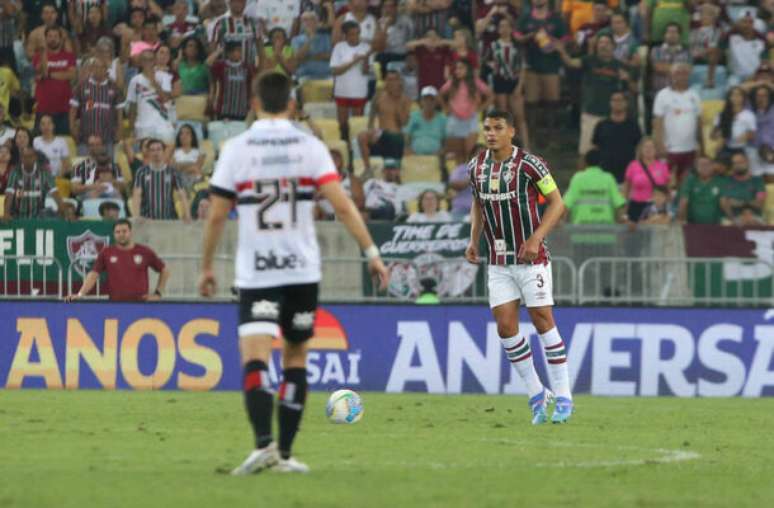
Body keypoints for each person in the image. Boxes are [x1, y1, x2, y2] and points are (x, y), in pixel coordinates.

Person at [198, 71, 388, 475]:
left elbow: (216, 214)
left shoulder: (236, 147)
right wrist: (371, 252)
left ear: (253, 103)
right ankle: (284, 454)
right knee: (296, 358)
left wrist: (207, 265)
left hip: (257, 273)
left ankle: (264, 446)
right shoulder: (310, 147)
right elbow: (343, 205)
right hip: (302, 271)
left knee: (254, 362)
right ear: (291, 104)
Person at [464, 109, 573, 424]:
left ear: (511, 130)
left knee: (542, 320)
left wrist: (537, 238)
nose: (491, 133)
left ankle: (564, 396)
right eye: (487, 128)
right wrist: (473, 240)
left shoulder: (531, 164)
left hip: (531, 259)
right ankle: (537, 392)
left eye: (498, 128)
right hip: (499, 260)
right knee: (505, 327)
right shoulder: (476, 166)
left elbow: (558, 203)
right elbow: (477, 204)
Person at [555, 33, 630, 156]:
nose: (603, 46)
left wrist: (626, 79)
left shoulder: (619, 65)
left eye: (607, 43)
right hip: (590, 111)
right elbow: (571, 63)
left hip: (610, 115)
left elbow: (630, 88)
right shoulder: (589, 60)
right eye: (601, 43)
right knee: (586, 151)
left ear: (613, 46)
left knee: (608, 150)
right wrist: (562, 52)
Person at [66, 219, 170, 302]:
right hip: (115, 305)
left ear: (130, 232)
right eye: (118, 232)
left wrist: (158, 294)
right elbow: (93, 275)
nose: (121, 234)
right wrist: (80, 294)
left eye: (124, 231)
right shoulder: (107, 252)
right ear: (114, 234)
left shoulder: (144, 251)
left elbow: (164, 270)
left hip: (141, 305)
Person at [484, 16, 529, 150]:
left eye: (507, 26)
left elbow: (523, 67)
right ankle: (504, 146)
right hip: (499, 82)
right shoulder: (493, 45)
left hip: (514, 82)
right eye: (501, 26)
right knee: (503, 116)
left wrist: (519, 86)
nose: (504, 29)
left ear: (511, 28)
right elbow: (486, 62)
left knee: (519, 116)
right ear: (498, 29)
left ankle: (526, 147)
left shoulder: (517, 46)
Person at [652, 63, 702, 182]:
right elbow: (657, 123)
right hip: (669, 149)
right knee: (667, 183)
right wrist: (659, 146)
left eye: (684, 73)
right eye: (677, 73)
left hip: (690, 149)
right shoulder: (662, 95)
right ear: (670, 75)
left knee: (687, 183)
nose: (681, 76)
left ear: (689, 76)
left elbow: (699, 123)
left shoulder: (694, 95)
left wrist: (701, 147)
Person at [356, 70, 411, 173]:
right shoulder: (378, 97)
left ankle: (394, 170)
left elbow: (404, 122)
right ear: (385, 82)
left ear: (399, 82)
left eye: (395, 80)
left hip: (396, 134)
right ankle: (368, 169)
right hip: (381, 133)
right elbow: (371, 117)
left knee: (395, 138)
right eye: (389, 80)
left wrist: (396, 100)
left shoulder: (405, 99)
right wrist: (371, 129)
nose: (392, 83)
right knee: (361, 136)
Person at [439, 59, 493, 161]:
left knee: (469, 151)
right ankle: (460, 174)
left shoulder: (476, 81)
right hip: (455, 119)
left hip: (471, 119)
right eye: (456, 69)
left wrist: (480, 108)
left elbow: (490, 95)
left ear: (468, 70)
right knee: (458, 153)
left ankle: (469, 175)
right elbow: (440, 94)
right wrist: (445, 108)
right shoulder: (452, 82)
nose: (457, 71)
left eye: (460, 68)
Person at [69, 57, 123, 155]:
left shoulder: (114, 88)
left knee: (108, 167)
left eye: (101, 67)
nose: (98, 70)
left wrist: (119, 130)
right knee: (85, 167)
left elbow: (119, 112)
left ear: (106, 69)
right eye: (95, 67)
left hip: (107, 138)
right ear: (92, 69)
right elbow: (73, 109)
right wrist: (72, 127)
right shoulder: (82, 86)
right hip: (85, 138)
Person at [330, 21, 372, 142]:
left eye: (357, 34)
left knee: (357, 125)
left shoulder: (366, 47)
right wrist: (353, 62)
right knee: (342, 125)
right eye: (351, 34)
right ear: (345, 35)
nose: (355, 37)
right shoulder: (339, 47)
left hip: (359, 91)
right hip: (342, 91)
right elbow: (335, 70)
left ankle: (356, 149)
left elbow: (366, 71)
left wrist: (365, 60)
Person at [130, 138, 191, 220]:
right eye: (152, 150)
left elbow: (182, 194)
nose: (156, 153)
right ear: (148, 153)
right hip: (147, 220)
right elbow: (137, 195)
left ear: (164, 151)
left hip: (168, 219)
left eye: (159, 149)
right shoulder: (141, 172)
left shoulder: (173, 172)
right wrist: (136, 217)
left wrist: (187, 215)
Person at [563, 148, 627, 224]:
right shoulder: (608, 178)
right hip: (605, 231)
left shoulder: (578, 178)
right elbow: (619, 204)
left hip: (581, 231)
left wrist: (560, 221)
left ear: (585, 162)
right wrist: (624, 219)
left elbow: (566, 204)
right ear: (601, 162)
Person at [126, 49, 177, 145]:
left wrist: (154, 82)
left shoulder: (164, 77)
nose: (148, 63)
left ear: (155, 61)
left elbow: (166, 100)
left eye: (150, 60)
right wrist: (131, 128)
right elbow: (132, 106)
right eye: (145, 60)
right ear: (141, 62)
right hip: (143, 126)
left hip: (163, 125)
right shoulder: (134, 80)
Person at [32, 26, 77, 134]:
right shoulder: (38, 56)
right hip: (43, 109)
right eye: (50, 36)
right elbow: (42, 73)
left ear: (61, 39)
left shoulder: (69, 56)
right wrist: (43, 54)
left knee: (63, 141)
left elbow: (71, 75)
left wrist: (50, 75)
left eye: (56, 36)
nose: (53, 39)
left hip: (64, 109)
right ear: (45, 38)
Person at [591, 91, 642, 183]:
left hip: (628, 173)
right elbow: (595, 147)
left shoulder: (633, 125)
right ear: (610, 103)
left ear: (626, 103)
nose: (617, 103)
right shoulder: (602, 125)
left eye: (620, 100)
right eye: (614, 100)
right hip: (605, 172)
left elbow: (639, 147)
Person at [3, 146, 63, 219]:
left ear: (35, 158)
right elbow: (9, 194)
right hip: (17, 215)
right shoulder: (15, 172)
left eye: (30, 157)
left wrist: (62, 209)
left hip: (38, 216)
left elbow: (55, 193)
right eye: (24, 157)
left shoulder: (44, 173)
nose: (27, 159)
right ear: (21, 158)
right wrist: (6, 213)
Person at [623, 137, 670, 222]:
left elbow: (667, 189)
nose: (648, 149)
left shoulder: (662, 166)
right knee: (636, 234)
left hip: (656, 208)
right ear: (640, 149)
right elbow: (626, 189)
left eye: (651, 147)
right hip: (636, 207)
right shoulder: (633, 165)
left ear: (656, 150)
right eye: (645, 147)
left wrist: (668, 208)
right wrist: (625, 209)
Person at [208, 41, 254, 121]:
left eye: (239, 50)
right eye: (234, 50)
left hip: (241, 110)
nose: (237, 53)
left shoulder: (247, 67)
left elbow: (250, 87)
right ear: (228, 53)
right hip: (224, 109)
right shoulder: (221, 66)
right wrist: (219, 51)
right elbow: (207, 63)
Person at [720, 151, 766, 226]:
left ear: (747, 162)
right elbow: (724, 203)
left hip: (755, 217)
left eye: (741, 162)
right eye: (735, 163)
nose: (738, 165)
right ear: (732, 165)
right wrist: (733, 219)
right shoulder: (726, 181)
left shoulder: (758, 181)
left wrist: (741, 203)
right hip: (733, 218)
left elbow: (760, 202)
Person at [208, 0, 261, 65]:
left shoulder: (253, 23)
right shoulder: (220, 23)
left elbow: (260, 48)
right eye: (235, 1)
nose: (238, 4)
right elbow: (212, 49)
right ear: (229, 3)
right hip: (226, 70)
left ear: (245, 3)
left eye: (241, 1)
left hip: (249, 69)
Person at [712, 86, 756, 158]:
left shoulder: (749, 115)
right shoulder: (721, 115)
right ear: (729, 98)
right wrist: (717, 134)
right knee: (718, 167)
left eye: (739, 95)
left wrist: (747, 135)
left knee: (738, 162)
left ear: (743, 98)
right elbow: (713, 135)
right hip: (725, 147)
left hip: (741, 148)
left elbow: (753, 135)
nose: (736, 97)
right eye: (733, 95)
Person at [677, 155, 723, 224]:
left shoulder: (720, 181)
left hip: (715, 225)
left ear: (713, 166)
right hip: (693, 225)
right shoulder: (690, 181)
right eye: (701, 165)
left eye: (708, 164)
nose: (705, 167)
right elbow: (683, 201)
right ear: (696, 167)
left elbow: (724, 201)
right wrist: (681, 219)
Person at [404, 86, 446, 156]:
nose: (428, 102)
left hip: (435, 157)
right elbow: (407, 137)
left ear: (436, 102)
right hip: (415, 156)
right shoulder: (413, 116)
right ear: (421, 101)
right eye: (425, 99)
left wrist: (440, 153)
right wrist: (408, 150)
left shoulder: (442, 119)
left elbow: (447, 142)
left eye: (431, 99)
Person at [291, 11, 332, 80]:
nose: (309, 22)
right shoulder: (296, 39)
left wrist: (308, 57)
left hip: (326, 75)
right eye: (305, 20)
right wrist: (311, 39)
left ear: (317, 22)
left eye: (312, 19)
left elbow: (330, 56)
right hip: (305, 75)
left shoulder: (326, 37)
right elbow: (298, 57)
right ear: (301, 23)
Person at [33, 114, 70, 178]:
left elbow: (66, 164)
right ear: (39, 127)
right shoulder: (35, 141)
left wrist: (58, 178)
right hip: (40, 177)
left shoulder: (61, 141)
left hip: (57, 177)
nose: (46, 126)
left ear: (53, 126)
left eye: (49, 123)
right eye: (43, 124)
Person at [173, 124, 206, 190]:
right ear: (179, 136)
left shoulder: (199, 151)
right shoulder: (174, 151)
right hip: (179, 177)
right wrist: (191, 165)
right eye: (181, 133)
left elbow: (198, 166)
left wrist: (182, 166)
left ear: (192, 136)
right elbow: (174, 167)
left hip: (194, 176)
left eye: (187, 133)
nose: (184, 136)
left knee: (197, 171)